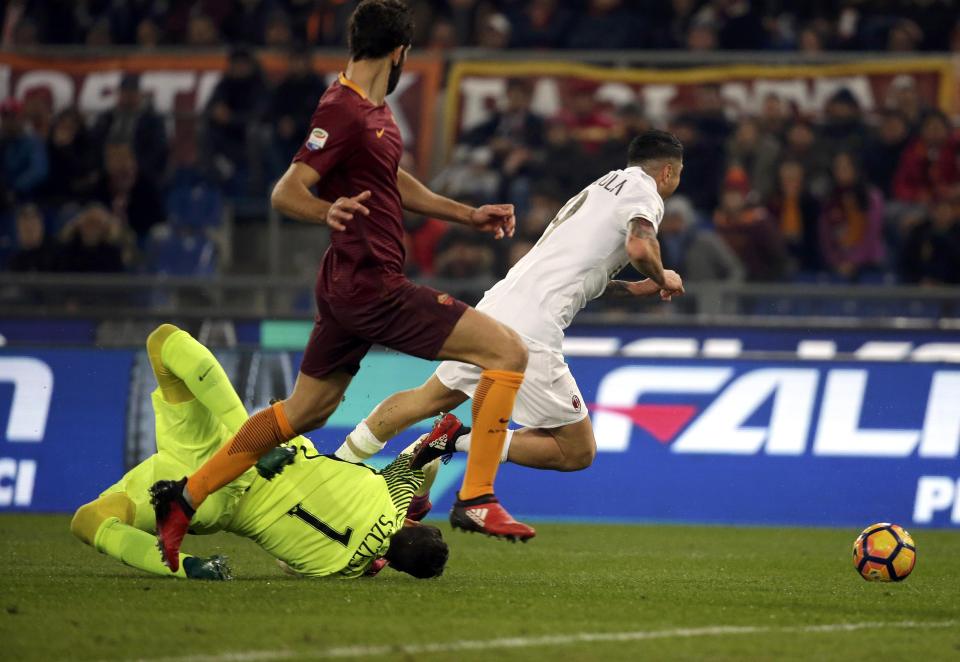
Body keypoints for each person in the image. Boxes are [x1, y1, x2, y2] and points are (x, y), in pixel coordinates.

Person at [150, 0, 532, 570]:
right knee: (508, 349)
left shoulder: (373, 110)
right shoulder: (344, 108)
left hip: (347, 284)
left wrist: (464, 212)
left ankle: (186, 497)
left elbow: (391, 179)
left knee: (303, 411)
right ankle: (476, 496)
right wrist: (325, 210)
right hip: (372, 285)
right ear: (401, 51)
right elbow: (287, 191)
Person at [331, 130, 685, 510]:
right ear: (667, 172)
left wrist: (637, 289)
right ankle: (452, 440)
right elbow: (640, 244)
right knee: (576, 451)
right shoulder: (645, 194)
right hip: (531, 329)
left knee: (428, 397)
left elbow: (582, 277)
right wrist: (663, 275)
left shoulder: (602, 188)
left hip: (498, 305)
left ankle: (338, 464)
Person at [71, 325, 448, 580]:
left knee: (164, 340)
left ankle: (249, 439)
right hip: (215, 505)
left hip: (247, 451)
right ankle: (190, 567)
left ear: (411, 523)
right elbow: (288, 564)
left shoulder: (389, 500)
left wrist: (421, 496)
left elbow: (427, 448)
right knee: (88, 521)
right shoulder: (337, 570)